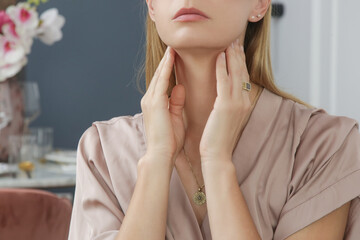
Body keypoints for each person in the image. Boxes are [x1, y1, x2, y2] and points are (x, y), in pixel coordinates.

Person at [68, 0, 360, 239]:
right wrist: (156, 159)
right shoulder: (102, 151)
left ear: (259, 5)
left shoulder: (326, 145)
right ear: (153, 7)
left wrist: (217, 162)